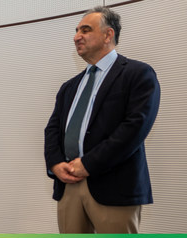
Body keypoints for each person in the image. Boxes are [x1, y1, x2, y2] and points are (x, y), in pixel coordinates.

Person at [44, 6, 160, 233]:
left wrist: (88, 164)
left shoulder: (138, 74)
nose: (77, 36)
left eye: (85, 30)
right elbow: (53, 129)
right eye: (77, 31)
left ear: (108, 35)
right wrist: (55, 163)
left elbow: (134, 128)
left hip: (114, 186)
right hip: (69, 185)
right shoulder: (70, 86)